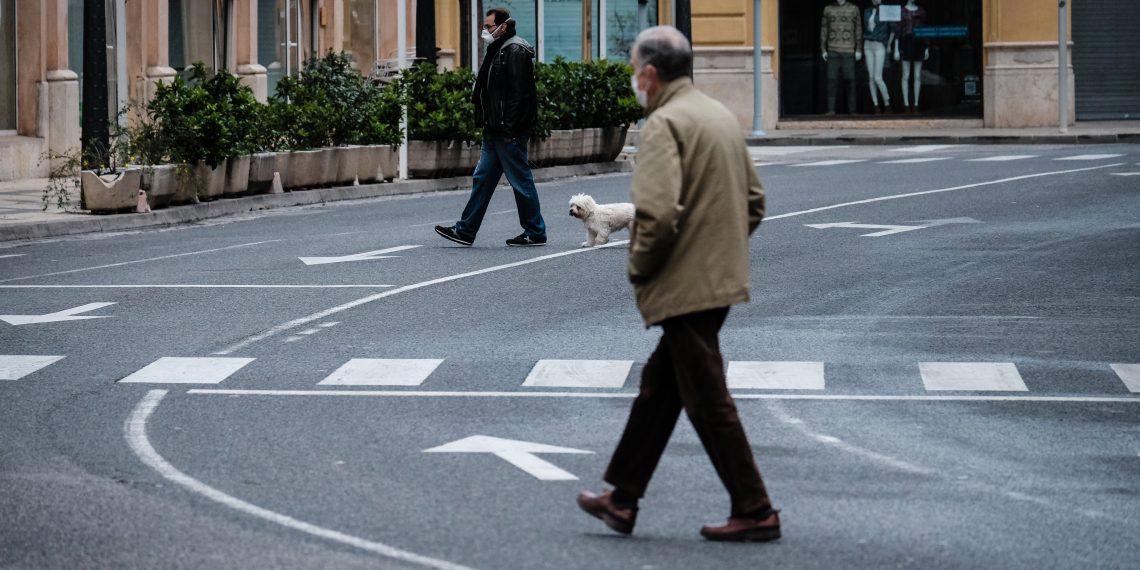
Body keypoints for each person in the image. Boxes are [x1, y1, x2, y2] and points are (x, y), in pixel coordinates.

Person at [576, 26, 778, 543]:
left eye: (633, 69)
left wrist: (641, 268)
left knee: (708, 399)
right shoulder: (718, 115)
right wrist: (719, 249)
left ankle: (755, 509)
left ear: (649, 73)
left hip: (685, 285)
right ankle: (622, 498)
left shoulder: (664, 125)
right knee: (659, 388)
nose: (632, 79)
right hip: (719, 278)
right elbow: (754, 203)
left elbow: (657, 215)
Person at [434, 7, 547, 247]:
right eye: (484, 26)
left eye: (489, 26)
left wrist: (510, 129)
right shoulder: (498, 49)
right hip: (494, 129)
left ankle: (536, 231)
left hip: (507, 131)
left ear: (503, 26)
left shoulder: (514, 50)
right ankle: (465, 230)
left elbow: (520, 95)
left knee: (520, 180)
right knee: (483, 178)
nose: (485, 30)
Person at [820, 0, 863, 115]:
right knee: (831, 81)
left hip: (848, 50)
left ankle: (852, 111)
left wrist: (859, 49)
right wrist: (823, 48)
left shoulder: (854, 9)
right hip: (832, 50)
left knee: (850, 81)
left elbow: (858, 29)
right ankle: (831, 110)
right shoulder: (827, 9)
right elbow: (824, 29)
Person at [893, 0, 929, 114]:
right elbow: (898, 31)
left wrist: (926, 48)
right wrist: (896, 49)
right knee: (906, 75)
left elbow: (924, 29)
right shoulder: (901, 11)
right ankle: (906, 105)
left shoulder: (921, 11)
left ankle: (916, 104)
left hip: (919, 42)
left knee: (917, 75)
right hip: (906, 42)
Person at [864, 0, 894, 114]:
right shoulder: (867, 11)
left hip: (879, 44)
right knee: (871, 77)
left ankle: (887, 103)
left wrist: (889, 44)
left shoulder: (886, 10)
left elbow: (893, 29)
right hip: (867, 44)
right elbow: (867, 27)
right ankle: (875, 105)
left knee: (878, 78)